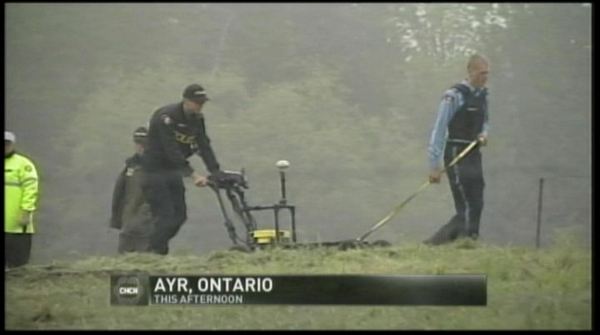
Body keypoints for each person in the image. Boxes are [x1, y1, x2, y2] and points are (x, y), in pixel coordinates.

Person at [141, 83, 222, 255]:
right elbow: (171, 150)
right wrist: (193, 175)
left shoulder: (197, 119)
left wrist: (215, 171)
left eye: (202, 103)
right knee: (166, 215)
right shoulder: (166, 117)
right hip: (154, 171)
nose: (200, 107)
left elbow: (203, 145)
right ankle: (152, 253)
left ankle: (156, 251)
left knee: (180, 216)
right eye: (197, 103)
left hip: (172, 171)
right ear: (185, 101)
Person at [424, 54, 490, 246]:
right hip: (455, 152)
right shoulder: (453, 96)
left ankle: (466, 240)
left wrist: (484, 134)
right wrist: (434, 165)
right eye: (481, 73)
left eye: (487, 74)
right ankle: (462, 242)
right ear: (470, 72)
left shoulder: (483, 96)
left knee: (477, 199)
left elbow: (486, 122)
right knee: (466, 203)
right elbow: (439, 129)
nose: (485, 77)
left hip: (473, 153)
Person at [110, 126, 155, 254]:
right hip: (128, 224)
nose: (140, 147)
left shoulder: (158, 168)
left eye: (143, 143)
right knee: (124, 260)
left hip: (149, 225)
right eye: (138, 143)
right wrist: (116, 220)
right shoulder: (130, 167)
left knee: (147, 261)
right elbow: (118, 194)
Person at [5, 131, 40, 268]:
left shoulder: (23, 164)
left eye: (7, 144)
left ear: (12, 145)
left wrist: (26, 210)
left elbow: (31, 189)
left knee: (18, 266)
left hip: (17, 225)